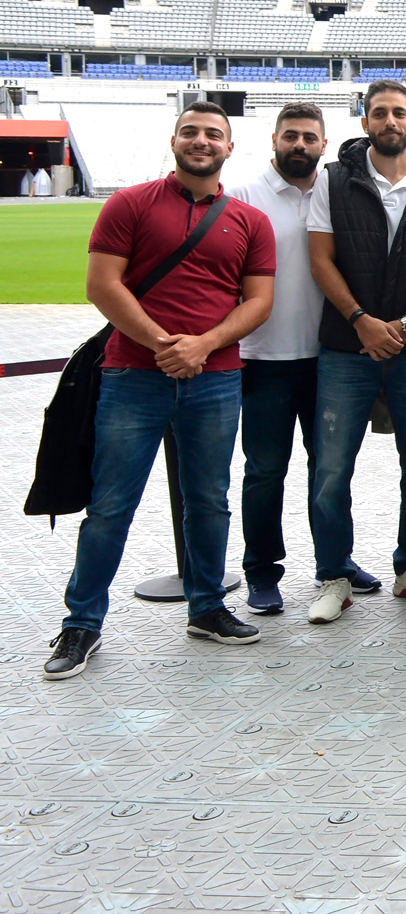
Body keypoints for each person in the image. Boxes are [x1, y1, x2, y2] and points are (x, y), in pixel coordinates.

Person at [43, 102, 276, 680]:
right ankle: (82, 623)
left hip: (216, 379)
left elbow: (259, 301)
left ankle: (207, 607)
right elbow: (102, 285)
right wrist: (163, 345)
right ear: (174, 140)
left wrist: (203, 346)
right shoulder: (130, 203)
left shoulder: (249, 221)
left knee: (208, 502)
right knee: (110, 506)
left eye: (213, 135)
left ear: (229, 147)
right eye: (191, 132)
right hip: (132, 376)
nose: (202, 141)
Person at [305, 79, 406, 625]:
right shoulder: (335, 180)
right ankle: (333, 577)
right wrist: (361, 321)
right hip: (346, 347)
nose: (389, 121)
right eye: (379, 113)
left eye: (399, 113)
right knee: (331, 469)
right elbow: (320, 260)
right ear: (365, 120)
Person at [232, 102, 378, 615]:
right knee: (266, 471)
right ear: (273, 139)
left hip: (329, 357)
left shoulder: (336, 193)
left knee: (331, 469)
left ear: (323, 143)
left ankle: (335, 564)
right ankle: (262, 572)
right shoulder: (244, 194)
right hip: (263, 357)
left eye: (309, 137)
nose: (299, 145)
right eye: (290, 136)